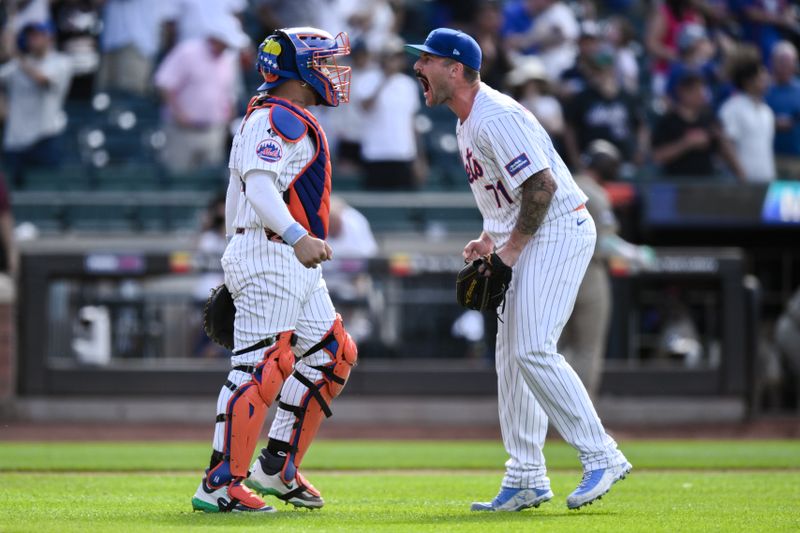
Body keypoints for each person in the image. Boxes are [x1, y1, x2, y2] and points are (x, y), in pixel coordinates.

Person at [406, 27, 631, 513]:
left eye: (427, 60)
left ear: (456, 68)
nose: (418, 67)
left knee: (531, 346)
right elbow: (506, 193)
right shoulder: (466, 122)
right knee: (511, 358)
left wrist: (509, 251)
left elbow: (543, 187)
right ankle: (526, 475)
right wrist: (491, 237)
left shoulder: (495, 116)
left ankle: (601, 454)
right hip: (529, 233)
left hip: (558, 229)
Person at [191, 27, 357, 513]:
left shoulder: (284, 115)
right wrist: (294, 237)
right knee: (260, 369)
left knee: (332, 353)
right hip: (273, 253)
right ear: (302, 70)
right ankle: (220, 483)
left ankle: (275, 465)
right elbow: (259, 188)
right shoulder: (276, 118)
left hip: (282, 257)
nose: (333, 71)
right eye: (325, 62)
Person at [560, 140, 655, 398]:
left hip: (554, 274)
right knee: (587, 349)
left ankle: (545, 417)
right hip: (588, 272)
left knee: (553, 350)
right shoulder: (596, 194)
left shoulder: (561, 184)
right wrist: (636, 254)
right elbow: (606, 242)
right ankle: (580, 419)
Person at [153, 17, 248, 174]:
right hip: (181, 132)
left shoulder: (229, 58)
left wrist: (228, 117)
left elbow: (229, 91)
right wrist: (179, 114)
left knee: (210, 183)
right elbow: (164, 83)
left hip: (213, 132)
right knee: (178, 180)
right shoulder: (187, 51)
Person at [0, 22, 72, 187]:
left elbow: (42, 80)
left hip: (45, 138)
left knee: (49, 191)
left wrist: (16, 55)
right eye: (30, 36)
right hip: (15, 142)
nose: (33, 40)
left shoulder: (61, 62)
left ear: (50, 37)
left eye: (37, 35)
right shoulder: (15, 66)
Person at [357, 35, 422, 190]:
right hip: (375, 155)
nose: (394, 61)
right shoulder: (367, 79)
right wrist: (384, 79)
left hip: (403, 155)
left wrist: (419, 158)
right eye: (391, 56)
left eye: (398, 57)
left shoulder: (408, 85)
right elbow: (366, 107)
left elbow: (412, 122)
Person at [652, 71, 744, 179]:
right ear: (683, 92)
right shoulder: (668, 121)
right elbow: (657, 156)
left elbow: (724, 150)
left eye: (702, 90)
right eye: (696, 91)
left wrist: (741, 173)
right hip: (677, 184)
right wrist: (686, 143)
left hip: (705, 184)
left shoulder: (709, 119)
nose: (701, 95)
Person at [718, 46, 776, 183]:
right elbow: (725, 144)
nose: (767, 80)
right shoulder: (732, 108)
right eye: (762, 76)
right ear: (748, 80)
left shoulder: (767, 111)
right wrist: (742, 175)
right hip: (742, 185)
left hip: (767, 181)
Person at [765, 41, 800, 179]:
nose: (785, 67)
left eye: (789, 62)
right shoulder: (764, 88)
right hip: (771, 157)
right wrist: (773, 123)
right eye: (781, 62)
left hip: (796, 158)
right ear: (772, 62)